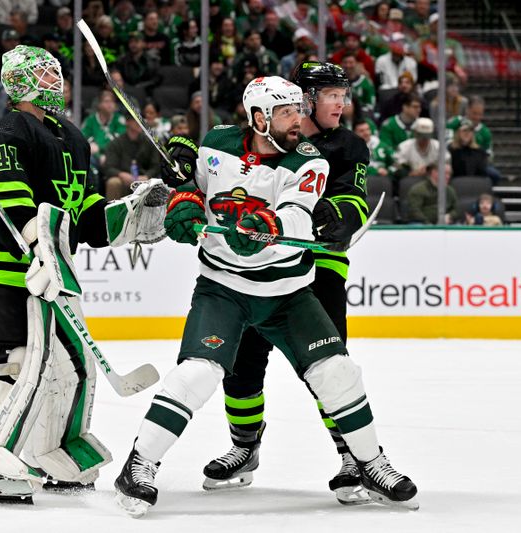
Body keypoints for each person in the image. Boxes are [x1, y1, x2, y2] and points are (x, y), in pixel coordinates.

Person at [114, 75, 417, 518]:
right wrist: (182, 198)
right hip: (223, 288)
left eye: (299, 109)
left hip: (287, 292)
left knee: (337, 372)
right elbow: (193, 187)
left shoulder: (308, 161)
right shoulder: (217, 142)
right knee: (197, 374)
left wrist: (271, 228)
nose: (299, 120)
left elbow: (297, 216)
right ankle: (139, 465)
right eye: (287, 112)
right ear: (259, 117)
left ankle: (369, 462)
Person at [198, 62, 378, 505]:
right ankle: (244, 447)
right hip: (259, 268)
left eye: (343, 94)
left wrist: (340, 213)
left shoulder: (348, 145)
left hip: (318, 271)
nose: (342, 102)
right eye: (333, 94)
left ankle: (353, 456)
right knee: (240, 364)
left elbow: (353, 197)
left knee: (327, 370)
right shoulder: (268, 136)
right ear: (305, 99)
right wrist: (186, 160)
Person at [0, 45, 125, 505]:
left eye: (57, 73)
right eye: (47, 74)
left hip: (51, 269)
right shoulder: (8, 131)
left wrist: (135, 216)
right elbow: (1, 199)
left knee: (67, 368)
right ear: (22, 82)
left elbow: (85, 217)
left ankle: (53, 454)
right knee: (10, 365)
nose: (59, 81)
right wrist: (38, 246)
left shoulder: (73, 138)